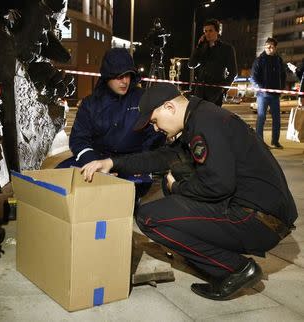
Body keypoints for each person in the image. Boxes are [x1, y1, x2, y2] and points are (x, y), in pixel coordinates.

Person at [81, 82, 297, 301]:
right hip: (262, 214)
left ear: (169, 107)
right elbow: (161, 157)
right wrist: (111, 162)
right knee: (173, 181)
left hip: (257, 220)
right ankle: (201, 255)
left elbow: (217, 185)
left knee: (148, 218)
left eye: (154, 121)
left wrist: (178, 187)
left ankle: (236, 269)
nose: (155, 128)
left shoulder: (205, 123)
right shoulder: (198, 117)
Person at [57, 47, 164, 172]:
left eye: (128, 75)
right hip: (96, 160)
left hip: (132, 164)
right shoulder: (90, 104)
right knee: (58, 175)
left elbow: (155, 137)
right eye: (119, 76)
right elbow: (79, 139)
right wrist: (94, 163)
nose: (125, 81)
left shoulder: (143, 99)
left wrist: (135, 164)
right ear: (107, 76)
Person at [188, 18, 237, 106]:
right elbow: (191, 64)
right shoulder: (202, 48)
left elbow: (233, 72)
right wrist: (198, 46)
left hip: (215, 92)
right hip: (199, 91)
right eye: (205, 31)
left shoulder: (227, 49)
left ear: (217, 32)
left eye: (210, 31)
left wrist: (223, 89)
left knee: (212, 118)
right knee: (198, 118)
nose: (207, 34)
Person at [251, 37, 287, 149]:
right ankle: (259, 142)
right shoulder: (260, 60)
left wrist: (281, 88)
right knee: (261, 118)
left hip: (275, 95)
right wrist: (260, 87)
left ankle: (275, 141)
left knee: (277, 119)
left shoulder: (278, 60)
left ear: (275, 48)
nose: (268, 48)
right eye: (267, 46)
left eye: (271, 46)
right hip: (262, 95)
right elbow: (253, 77)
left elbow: (283, 75)